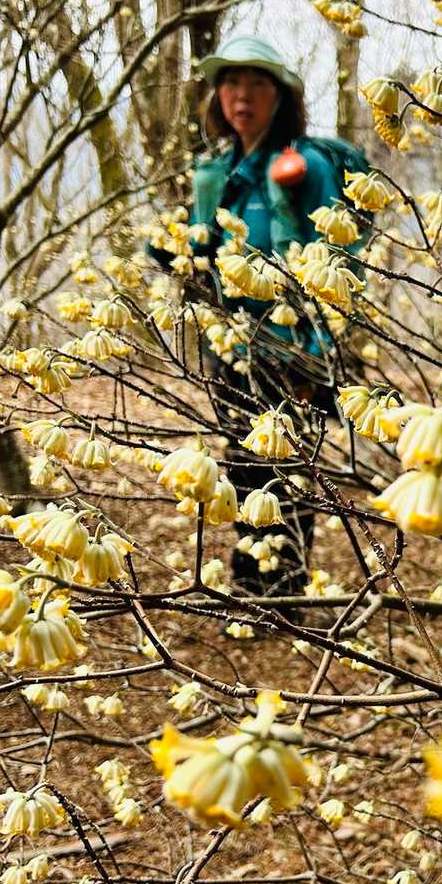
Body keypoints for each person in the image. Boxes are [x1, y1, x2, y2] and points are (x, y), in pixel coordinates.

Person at [148, 34, 369, 601]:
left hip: (292, 349)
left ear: (280, 97)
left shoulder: (304, 166)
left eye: (256, 84)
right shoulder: (217, 172)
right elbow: (204, 256)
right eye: (230, 83)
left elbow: (337, 259)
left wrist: (317, 358)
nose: (241, 96)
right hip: (233, 346)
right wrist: (173, 251)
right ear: (216, 96)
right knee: (243, 466)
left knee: (287, 472)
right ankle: (252, 587)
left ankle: (284, 595)